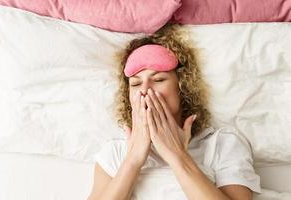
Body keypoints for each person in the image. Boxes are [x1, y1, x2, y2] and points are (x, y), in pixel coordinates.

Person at [87, 24, 261, 200]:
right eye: (136, 84)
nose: (145, 90)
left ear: (183, 88)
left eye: (159, 79)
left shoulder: (222, 144)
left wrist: (177, 155)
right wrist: (133, 160)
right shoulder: (115, 152)